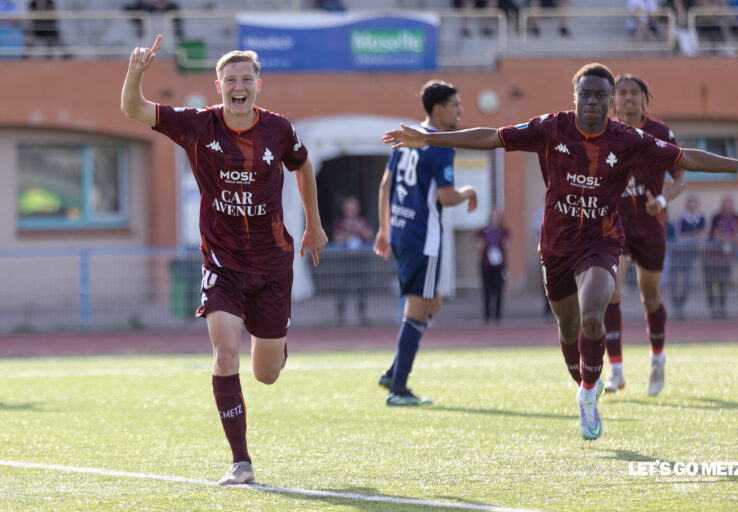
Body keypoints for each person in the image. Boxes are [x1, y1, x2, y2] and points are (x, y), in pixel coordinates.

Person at [383, 62, 738, 439]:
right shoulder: (551, 127)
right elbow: (492, 137)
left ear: (610, 101)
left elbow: (684, 157)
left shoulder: (627, 140)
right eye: (586, 94)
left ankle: (589, 390)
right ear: (575, 97)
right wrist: (429, 138)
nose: (593, 101)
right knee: (567, 327)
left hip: (600, 242)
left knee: (592, 315)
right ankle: (584, 381)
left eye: (602, 95)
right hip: (556, 245)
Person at [121, 35, 327, 485]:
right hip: (222, 263)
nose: (238, 85)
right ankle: (241, 462)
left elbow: (303, 166)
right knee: (225, 353)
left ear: (258, 84)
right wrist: (136, 71)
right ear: (218, 86)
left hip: (273, 263)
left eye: (246, 79)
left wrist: (314, 223)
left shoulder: (279, 129)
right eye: (229, 79)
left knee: (267, 374)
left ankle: (275, 339)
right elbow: (134, 110)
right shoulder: (197, 125)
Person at [374, 79, 478, 406]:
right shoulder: (440, 144)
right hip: (424, 238)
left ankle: (394, 371)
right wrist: (469, 192)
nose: (461, 110)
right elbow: (446, 197)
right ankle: (398, 389)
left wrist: (383, 228)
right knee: (419, 308)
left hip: (402, 232)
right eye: (456, 105)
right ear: (438, 109)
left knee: (433, 302)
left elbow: (385, 184)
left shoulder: (409, 137)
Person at [602, 75, 687, 397]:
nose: (627, 98)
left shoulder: (660, 132)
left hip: (651, 227)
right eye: (621, 93)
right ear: (614, 99)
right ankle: (617, 370)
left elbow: (680, 179)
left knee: (649, 297)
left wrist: (662, 200)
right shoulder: (605, 132)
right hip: (615, 226)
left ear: (643, 98)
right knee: (611, 292)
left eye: (633, 92)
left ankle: (657, 357)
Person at [703, 196, 738, 318]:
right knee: (710, 283)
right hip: (714, 256)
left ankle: (723, 307)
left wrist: (729, 240)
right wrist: (733, 239)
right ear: (722, 206)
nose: (728, 209)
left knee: (723, 282)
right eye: (726, 206)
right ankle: (712, 308)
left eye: (730, 206)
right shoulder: (716, 217)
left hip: (728, 257)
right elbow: (715, 235)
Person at [332, 195, 374, 325]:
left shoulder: (363, 221)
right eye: (348, 208)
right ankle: (340, 317)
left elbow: (370, 235)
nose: (351, 210)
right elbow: (337, 239)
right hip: (345, 260)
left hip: (360, 259)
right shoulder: (340, 223)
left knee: (362, 289)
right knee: (341, 288)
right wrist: (351, 232)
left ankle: (362, 316)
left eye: (353, 208)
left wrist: (356, 230)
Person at [669, 195, 707, 319]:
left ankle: (681, 304)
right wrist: (695, 235)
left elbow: (704, 235)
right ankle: (676, 307)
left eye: (694, 203)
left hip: (691, 255)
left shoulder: (701, 218)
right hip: (678, 254)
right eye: (690, 203)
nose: (692, 206)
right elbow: (679, 238)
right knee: (675, 282)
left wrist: (690, 237)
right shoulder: (681, 218)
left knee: (688, 284)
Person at [477, 207, 510, 323]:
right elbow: (479, 246)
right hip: (486, 262)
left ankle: (497, 315)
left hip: (499, 263)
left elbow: (507, 245)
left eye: (496, 216)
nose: (494, 219)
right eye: (493, 216)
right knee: (486, 289)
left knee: (499, 289)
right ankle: (487, 315)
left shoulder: (503, 231)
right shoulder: (483, 231)